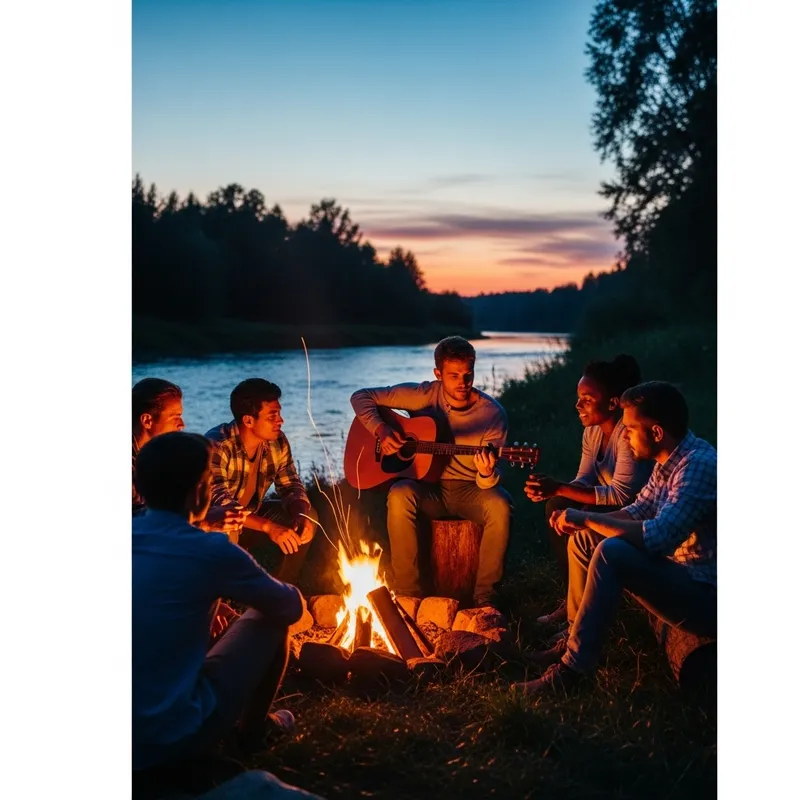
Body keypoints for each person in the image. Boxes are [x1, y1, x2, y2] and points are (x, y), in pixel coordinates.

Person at [512, 381, 716, 697]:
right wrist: (585, 525)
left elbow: (657, 538)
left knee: (612, 552)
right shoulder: (669, 460)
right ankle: (573, 637)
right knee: (585, 540)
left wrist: (586, 517)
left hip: (706, 597)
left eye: (632, 428)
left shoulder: (697, 466)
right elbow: (638, 511)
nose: (625, 435)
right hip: (683, 577)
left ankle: (573, 672)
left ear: (657, 433)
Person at [133, 432, 302, 771]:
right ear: (200, 492)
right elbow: (289, 608)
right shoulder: (210, 550)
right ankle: (252, 735)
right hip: (173, 736)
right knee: (270, 618)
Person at [350, 336, 513, 607]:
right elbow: (361, 397)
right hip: (429, 486)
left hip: (470, 488)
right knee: (400, 494)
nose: (462, 383)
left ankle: (485, 599)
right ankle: (407, 595)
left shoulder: (493, 414)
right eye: (453, 376)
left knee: (500, 504)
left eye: (467, 374)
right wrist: (382, 429)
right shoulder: (425, 394)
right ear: (438, 374)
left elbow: (489, 484)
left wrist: (486, 473)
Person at [524, 355, 653, 626]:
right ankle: (571, 596)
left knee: (566, 505)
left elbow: (622, 494)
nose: (578, 405)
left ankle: (583, 608)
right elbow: (584, 479)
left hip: (633, 511)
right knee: (557, 505)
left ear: (612, 402)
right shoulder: (592, 432)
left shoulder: (627, 435)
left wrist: (560, 488)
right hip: (611, 503)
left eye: (587, 399)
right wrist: (552, 490)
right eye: (578, 397)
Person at [205, 378, 318, 586]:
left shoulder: (277, 441)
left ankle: (282, 588)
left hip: (252, 516)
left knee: (307, 515)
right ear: (248, 420)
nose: (281, 421)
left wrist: (300, 514)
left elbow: (291, 485)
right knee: (227, 527)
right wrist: (269, 528)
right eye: (272, 416)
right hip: (214, 524)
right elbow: (221, 503)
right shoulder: (217, 445)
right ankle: (225, 597)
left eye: (279, 413)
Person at [133, 378, 246, 537]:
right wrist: (203, 522)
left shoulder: (166, 453)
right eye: (175, 417)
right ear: (147, 420)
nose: (182, 424)